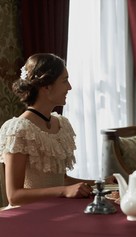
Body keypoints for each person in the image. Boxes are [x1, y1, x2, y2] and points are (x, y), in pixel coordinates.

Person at [0, 53, 95, 206]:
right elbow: (14, 195)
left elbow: (61, 180)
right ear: (46, 86)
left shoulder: (61, 124)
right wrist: (64, 191)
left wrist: (101, 183)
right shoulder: (19, 130)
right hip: (28, 215)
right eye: (65, 81)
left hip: (55, 208)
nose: (69, 87)